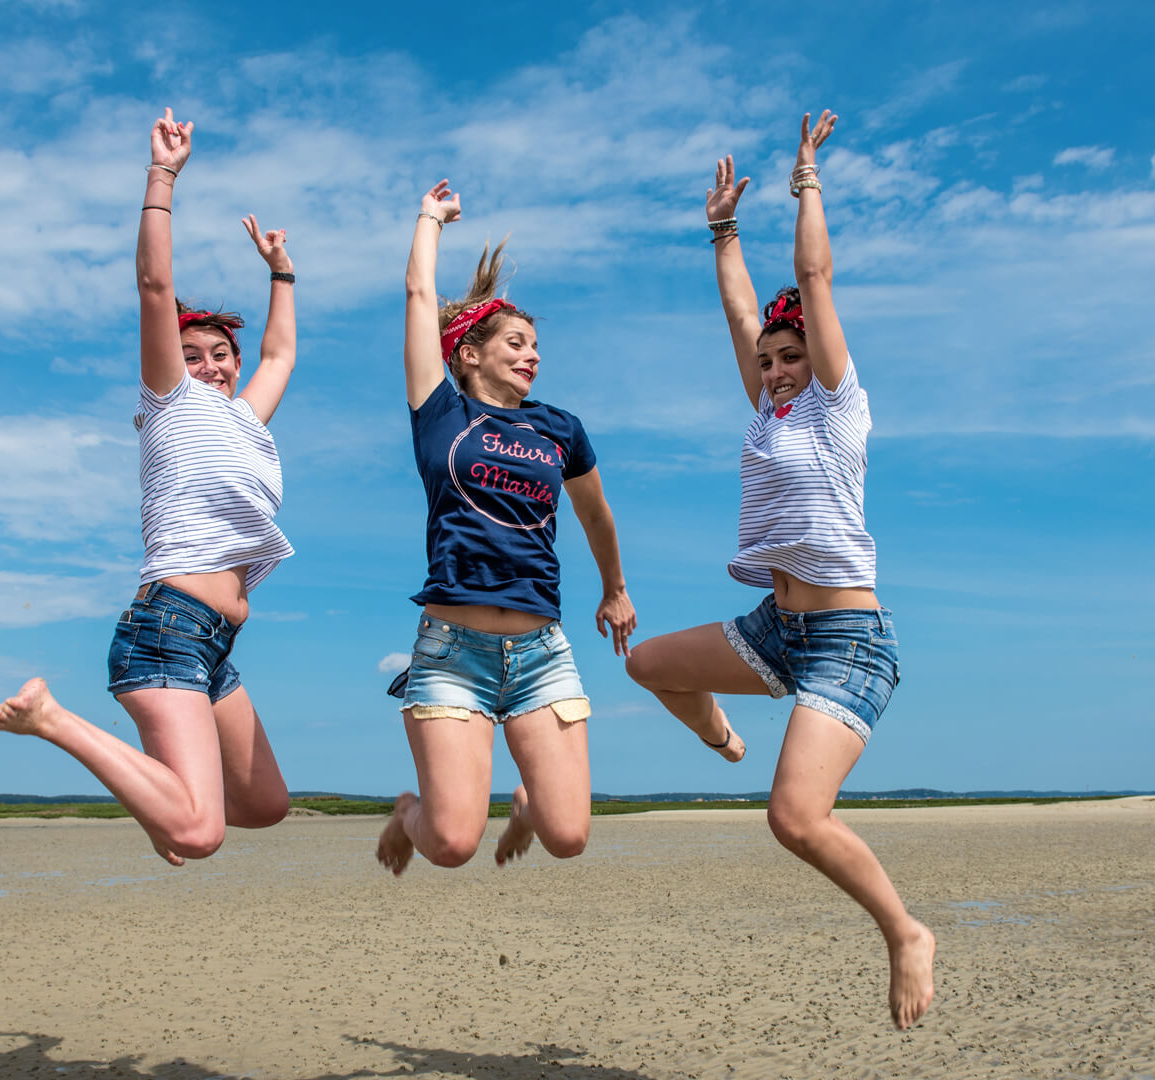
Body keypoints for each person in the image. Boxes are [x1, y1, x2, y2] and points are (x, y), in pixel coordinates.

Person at [623, 112, 936, 1029]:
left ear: (820, 359)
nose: (776, 368)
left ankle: (905, 932)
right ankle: (726, 742)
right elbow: (738, 310)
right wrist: (721, 231)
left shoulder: (840, 410)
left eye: (790, 355)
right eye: (768, 361)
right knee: (647, 664)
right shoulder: (770, 413)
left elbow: (813, 278)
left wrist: (807, 179)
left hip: (846, 640)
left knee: (795, 820)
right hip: (775, 629)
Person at [0, 108, 298, 866]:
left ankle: (165, 806)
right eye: (195, 354)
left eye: (222, 353)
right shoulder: (169, 401)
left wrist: (281, 271)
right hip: (168, 629)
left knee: (265, 805)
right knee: (199, 833)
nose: (213, 365)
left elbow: (279, 357)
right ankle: (50, 716)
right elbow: (156, 285)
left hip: (214, 646)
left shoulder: (246, 421)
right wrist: (164, 176)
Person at [375, 180, 637, 876]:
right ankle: (409, 811)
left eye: (536, 346)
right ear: (469, 354)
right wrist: (430, 220)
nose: (533, 355)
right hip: (452, 652)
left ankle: (526, 803)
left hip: (540, 652)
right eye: (516, 343)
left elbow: (594, 513)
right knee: (454, 845)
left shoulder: (560, 429)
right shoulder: (441, 415)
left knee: (569, 837)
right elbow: (419, 299)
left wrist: (614, 589)